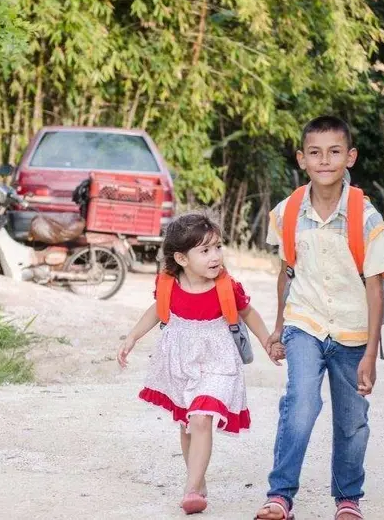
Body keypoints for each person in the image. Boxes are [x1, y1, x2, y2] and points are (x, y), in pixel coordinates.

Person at [255, 116, 384, 520]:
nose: (325, 160)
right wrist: (280, 326)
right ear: (302, 159)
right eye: (315, 153)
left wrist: (371, 354)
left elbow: (376, 289)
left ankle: (348, 498)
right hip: (306, 323)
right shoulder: (287, 212)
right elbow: (286, 271)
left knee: (352, 420)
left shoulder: (366, 217)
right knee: (300, 403)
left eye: (334, 152)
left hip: (353, 334)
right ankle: (280, 495)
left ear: (349, 156)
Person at [117, 212, 284, 515]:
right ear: (181, 258)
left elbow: (248, 313)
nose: (215, 256)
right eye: (205, 250)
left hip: (218, 360)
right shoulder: (169, 284)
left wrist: (267, 342)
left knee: (201, 417)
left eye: (218, 247)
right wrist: (132, 337)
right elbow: (156, 311)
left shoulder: (226, 286)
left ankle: (191, 489)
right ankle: (198, 478)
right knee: (187, 423)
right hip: (180, 361)